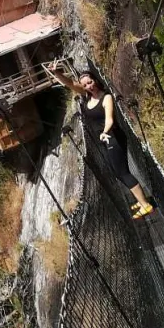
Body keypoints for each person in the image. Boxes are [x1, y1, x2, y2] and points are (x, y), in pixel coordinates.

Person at [50, 62, 154, 219]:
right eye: (85, 85)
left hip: (112, 137)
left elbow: (109, 120)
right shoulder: (86, 97)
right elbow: (70, 83)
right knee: (119, 172)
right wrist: (57, 73)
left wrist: (105, 132)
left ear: (95, 80)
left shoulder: (106, 98)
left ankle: (146, 205)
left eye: (90, 82)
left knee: (123, 173)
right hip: (105, 140)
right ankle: (141, 201)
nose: (89, 86)